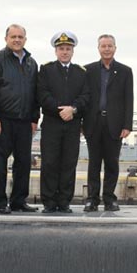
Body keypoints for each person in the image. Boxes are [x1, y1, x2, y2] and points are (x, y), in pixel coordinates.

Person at [0, 24, 40, 214]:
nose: (17, 40)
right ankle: (0, 202)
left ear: (25, 39)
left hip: (24, 121)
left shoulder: (32, 63)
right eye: (13, 36)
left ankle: (18, 201)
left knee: (23, 163)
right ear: (6, 38)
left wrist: (34, 118)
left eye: (20, 37)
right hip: (2, 120)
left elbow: (34, 93)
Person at [37, 32, 89, 214]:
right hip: (52, 123)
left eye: (68, 49)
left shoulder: (81, 73)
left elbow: (85, 96)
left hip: (72, 125)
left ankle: (64, 201)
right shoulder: (46, 70)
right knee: (50, 163)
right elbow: (42, 94)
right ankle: (49, 202)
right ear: (56, 51)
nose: (64, 52)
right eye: (61, 49)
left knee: (68, 163)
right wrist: (61, 110)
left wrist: (73, 110)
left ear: (73, 51)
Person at [83, 34, 134, 212]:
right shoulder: (88, 70)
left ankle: (109, 198)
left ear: (115, 48)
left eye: (109, 46)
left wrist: (127, 125)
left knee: (112, 163)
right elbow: (84, 97)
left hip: (114, 124)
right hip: (93, 122)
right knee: (94, 163)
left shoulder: (125, 71)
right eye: (103, 46)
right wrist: (82, 123)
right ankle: (92, 199)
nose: (106, 49)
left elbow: (129, 99)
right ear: (98, 48)